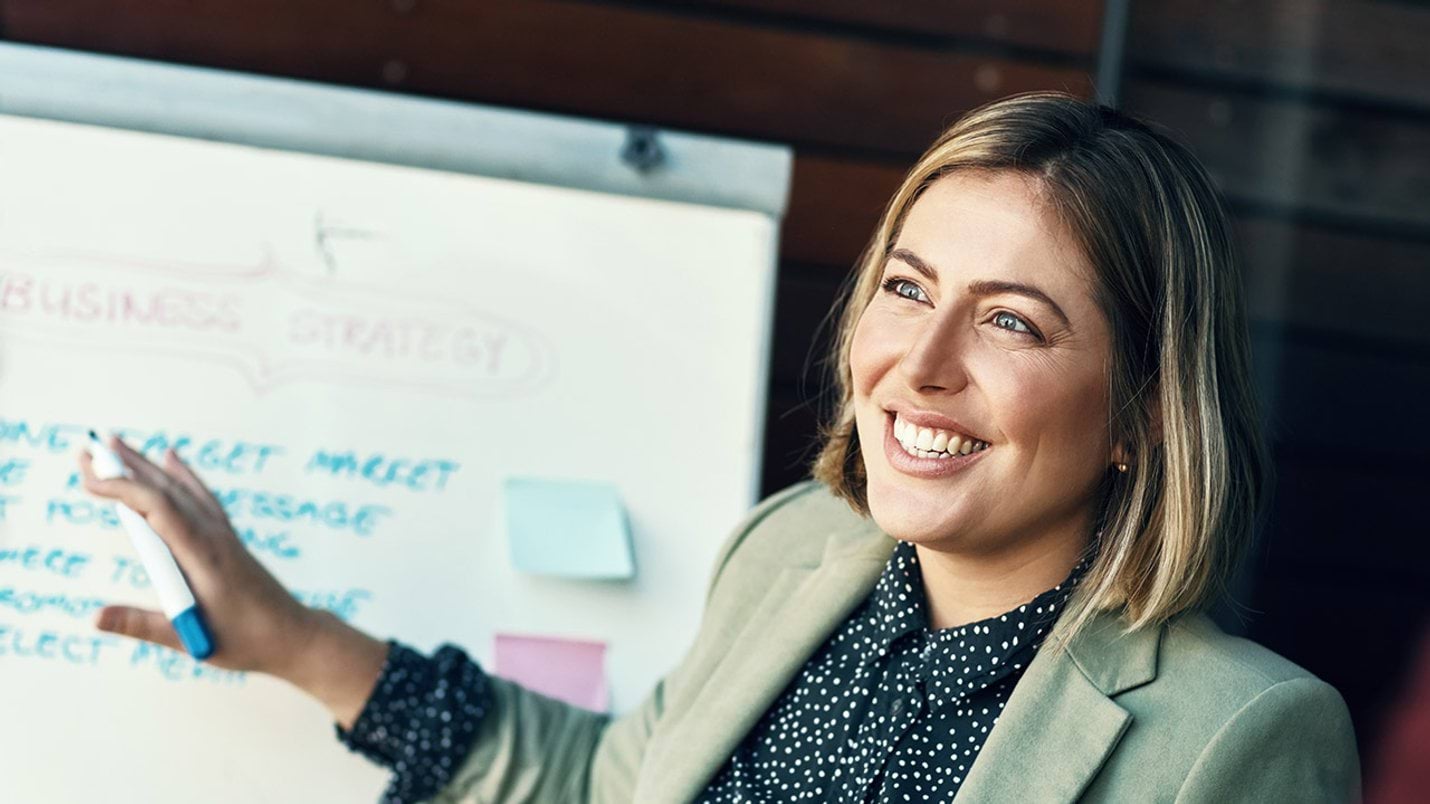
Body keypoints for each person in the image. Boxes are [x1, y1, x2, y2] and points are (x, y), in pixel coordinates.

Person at [78, 90, 1361, 803]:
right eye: (906, 290)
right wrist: (292, 638)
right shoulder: (791, 550)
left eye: (1011, 322)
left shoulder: (1237, 739)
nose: (917, 368)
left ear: (1143, 410)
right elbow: (602, 789)